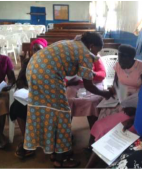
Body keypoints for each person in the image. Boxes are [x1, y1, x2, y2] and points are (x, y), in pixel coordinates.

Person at [24, 32, 113, 168]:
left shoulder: (70, 43)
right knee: (63, 114)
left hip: (33, 69)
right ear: (91, 45)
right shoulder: (85, 52)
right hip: (48, 76)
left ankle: (53, 153)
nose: (96, 55)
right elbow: (89, 85)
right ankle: (61, 159)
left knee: (48, 112)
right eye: (96, 51)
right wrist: (104, 93)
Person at [9, 38, 48, 159]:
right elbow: (20, 80)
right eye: (34, 49)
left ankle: (43, 137)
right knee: (18, 106)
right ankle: (28, 140)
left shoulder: (50, 62)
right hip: (29, 93)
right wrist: (26, 88)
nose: (36, 52)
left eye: (39, 49)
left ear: (45, 50)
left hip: (46, 94)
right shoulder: (27, 62)